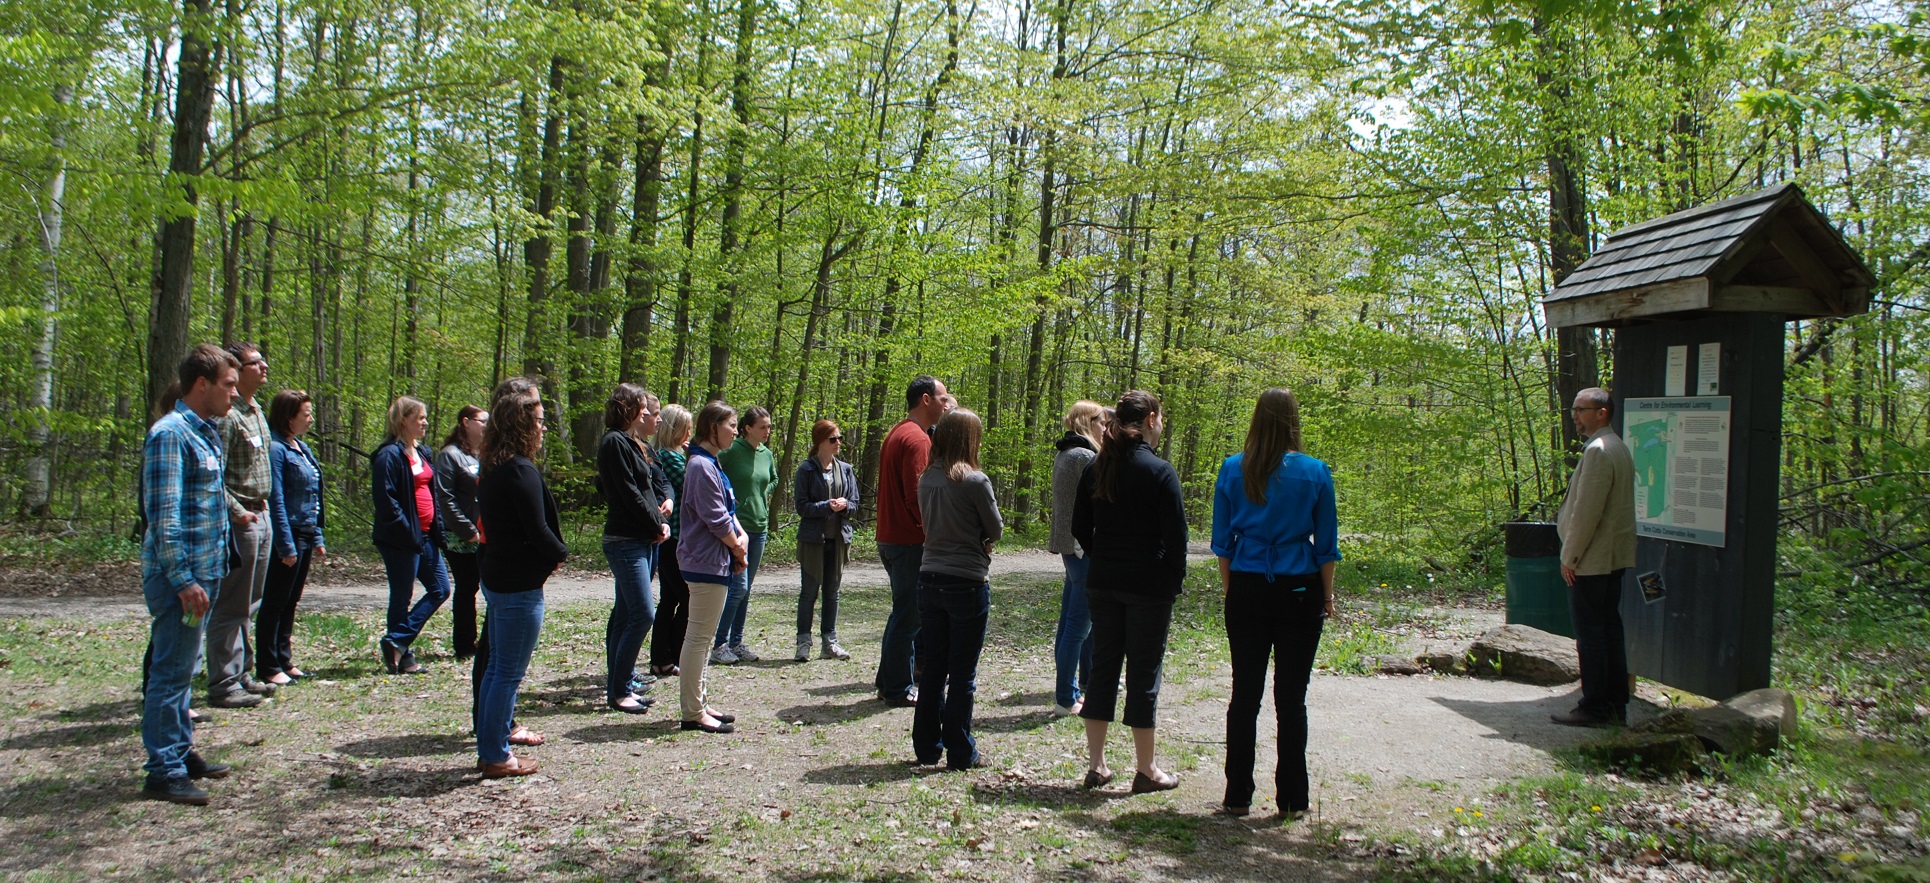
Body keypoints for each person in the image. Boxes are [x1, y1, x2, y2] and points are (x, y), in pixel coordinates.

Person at [1211, 387, 1340, 817]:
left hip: (1247, 586)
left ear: (1256, 419)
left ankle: (1237, 794)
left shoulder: (1232, 469)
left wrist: (1232, 590)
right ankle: (1292, 799)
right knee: (1291, 697)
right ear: (1292, 421)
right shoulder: (1315, 472)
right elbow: (1326, 547)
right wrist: (1327, 595)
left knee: (1244, 694)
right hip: (1300, 589)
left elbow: (1222, 544)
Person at [139, 344, 241, 805]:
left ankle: (179, 751)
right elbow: (163, 519)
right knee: (171, 671)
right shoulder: (170, 435)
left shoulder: (206, 432)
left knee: (185, 668)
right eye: (228, 384)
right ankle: (163, 770)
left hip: (205, 574)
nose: (235, 393)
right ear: (202, 384)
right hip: (181, 580)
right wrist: (183, 580)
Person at [1072, 390, 1187, 795]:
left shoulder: (1098, 467)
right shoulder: (1159, 471)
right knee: (1143, 672)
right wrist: (1170, 579)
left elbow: (1079, 527)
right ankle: (1146, 769)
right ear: (1151, 418)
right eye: (1161, 418)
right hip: (1147, 586)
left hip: (1104, 582)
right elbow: (1177, 539)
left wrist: (1103, 555)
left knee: (1102, 668)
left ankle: (1097, 765)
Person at [475, 388, 567, 777]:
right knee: (507, 673)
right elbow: (537, 529)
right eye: (539, 421)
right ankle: (495, 755)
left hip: (500, 578)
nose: (543, 428)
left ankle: (491, 747)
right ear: (522, 425)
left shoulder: (494, 467)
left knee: (498, 668)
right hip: (517, 586)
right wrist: (560, 553)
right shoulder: (518, 470)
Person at [912, 409, 1002, 770]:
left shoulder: (926, 479)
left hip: (929, 577)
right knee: (963, 673)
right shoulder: (975, 481)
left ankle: (926, 747)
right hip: (966, 580)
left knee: (934, 668)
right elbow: (995, 529)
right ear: (970, 440)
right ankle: (962, 752)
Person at [1552, 387, 1636, 728]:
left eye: (1581, 409)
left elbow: (1587, 513)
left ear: (1601, 412)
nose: (1575, 415)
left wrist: (1570, 557)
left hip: (1592, 560)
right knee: (1609, 630)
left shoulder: (1600, 451)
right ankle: (1615, 705)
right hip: (1610, 558)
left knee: (1591, 635)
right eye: (1574, 409)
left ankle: (1596, 707)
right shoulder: (1617, 447)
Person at [206, 342, 278, 709]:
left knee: (250, 602)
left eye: (264, 361)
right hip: (241, 519)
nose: (264, 367)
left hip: (262, 515)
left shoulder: (256, 411)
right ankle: (222, 682)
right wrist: (238, 512)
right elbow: (212, 475)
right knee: (231, 602)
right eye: (256, 363)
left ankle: (241, 673)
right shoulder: (227, 416)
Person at [875, 375, 949, 707]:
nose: (946, 405)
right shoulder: (916, 439)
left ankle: (887, 681)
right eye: (942, 398)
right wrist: (935, 533)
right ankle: (897, 688)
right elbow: (917, 496)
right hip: (908, 541)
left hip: (893, 537)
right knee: (908, 617)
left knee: (903, 614)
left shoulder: (899, 432)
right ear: (926, 400)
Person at [677, 402, 750, 733]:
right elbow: (716, 519)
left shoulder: (710, 463)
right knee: (699, 638)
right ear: (712, 427)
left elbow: (727, 510)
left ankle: (700, 702)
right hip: (705, 561)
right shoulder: (700, 466)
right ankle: (693, 712)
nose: (735, 431)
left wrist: (741, 537)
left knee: (704, 639)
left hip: (714, 560)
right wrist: (737, 547)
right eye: (731, 425)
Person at [599, 383, 672, 714]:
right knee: (643, 613)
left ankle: (621, 684)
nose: (646, 412)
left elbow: (651, 486)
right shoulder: (614, 442)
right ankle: (618, 691)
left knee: (627, 614)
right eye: (641, 407)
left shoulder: (632, 443)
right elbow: (629, 493)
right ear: (626, 409)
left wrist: (657, 521)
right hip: (625, 541)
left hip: (640, 538)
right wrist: (657, 523)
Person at [371, 395, 451, 674]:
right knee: (402, 596)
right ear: (403, 420)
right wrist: (407, 530)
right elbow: (386, 501)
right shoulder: (388, 455)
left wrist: (437, 528)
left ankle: (397, 640)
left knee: (441, 589)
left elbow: (432, 492)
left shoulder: (423, 452)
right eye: (420, 418)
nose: (425, 422)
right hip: (401, 539)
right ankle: (402, 658)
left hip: (426, 536)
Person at [257, 390, 327, 687]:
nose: (311, 419)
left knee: (291, 600)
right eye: (306, 414)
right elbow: (276, 500)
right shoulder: (276, 449)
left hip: (306, 532)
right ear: (289, 417)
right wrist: (285, 544)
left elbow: (313, 495)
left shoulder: (302, 448)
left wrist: (318, 535)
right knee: (276, 600)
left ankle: (284, 659)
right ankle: (268, 664)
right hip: (289, 534)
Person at [1048, 400, 1106, 716]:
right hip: (1082, 548)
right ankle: (1066, 697)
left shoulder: (1066, 453)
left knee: (1070, 620)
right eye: (1101, 422)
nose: (1105, 428)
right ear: (1087, 422)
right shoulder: (1084, 456)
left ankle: (1073, 687)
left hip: (1071, 546)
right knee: (1078, 626)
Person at [712, 406, 779, 664]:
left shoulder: (766, 454)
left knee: (746, 588)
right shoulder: (731, 450)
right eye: (762, 427)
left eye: (769, 426)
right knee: (736, 587)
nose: (767, 431)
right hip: (735, 527)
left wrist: (761, 494)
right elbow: (713, 474)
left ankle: (736, 642)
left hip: (759, 527)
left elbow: (773, 479)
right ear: (747, 428)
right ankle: (719, 644)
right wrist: (731, 499)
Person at [793, 419, 858, 662]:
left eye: (839, 438)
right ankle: (803, 643)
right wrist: (826, 506)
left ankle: (829, 642)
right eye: (833, 439)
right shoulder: (806, 469)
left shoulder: (846, 469)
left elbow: (855, 504)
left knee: (832, 592)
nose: (838, 442)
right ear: (820, 441)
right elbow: (801, 506)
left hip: (838, 540)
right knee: (809, 592)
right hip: (813, 540)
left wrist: (845, 505)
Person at [435, 406, 488, 660]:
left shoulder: (484, 454)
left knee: (487, 586)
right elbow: (445, 499)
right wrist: (468, 530)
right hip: (460, 536)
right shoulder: (450, 455)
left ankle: (486, 641)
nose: (487, 426)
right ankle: (465, 644)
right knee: (467, 587)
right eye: (483, 421)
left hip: (485, 532)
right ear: (466, 422)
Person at [648, 404, 694, 678]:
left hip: (673, 538)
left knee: (669, 599)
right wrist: (694, 455)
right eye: (685, 428)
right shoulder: (669, 457)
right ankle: (674, 655)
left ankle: (661, 659)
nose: (689, 433)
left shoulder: (673, 455)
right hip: (673, 539)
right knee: (685, 597)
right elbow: (693, 484)